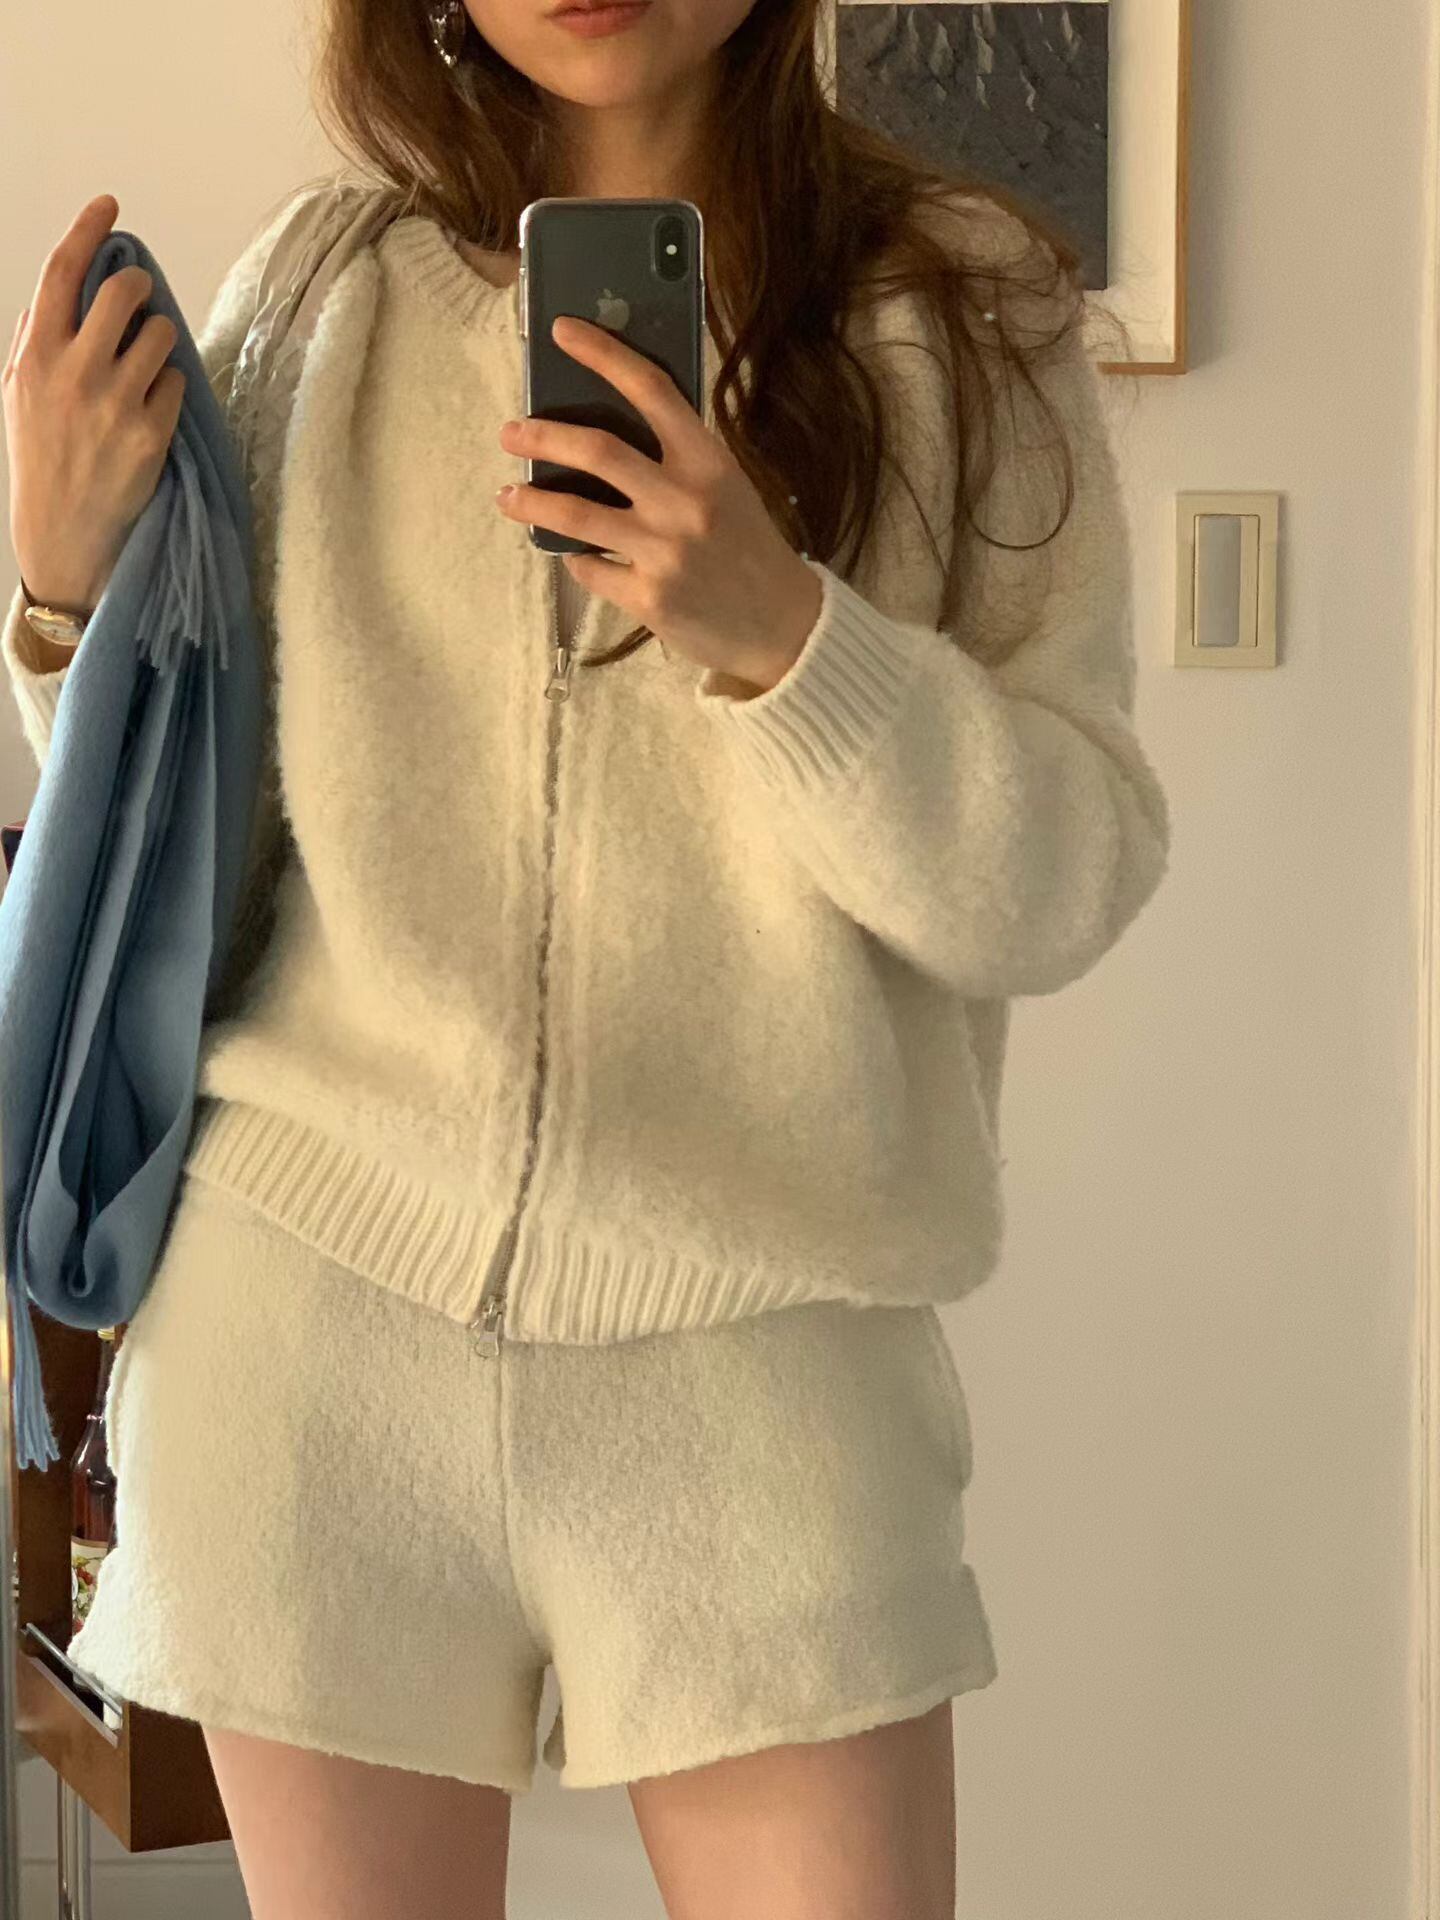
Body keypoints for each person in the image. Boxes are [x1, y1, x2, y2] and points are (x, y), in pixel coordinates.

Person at [1, 1, 1171, 1913]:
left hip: (766, 1366)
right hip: (308, 1349)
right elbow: (177, 829)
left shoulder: (960, 312)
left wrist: (787, 637)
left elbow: (1068, 875)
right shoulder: (320, 292)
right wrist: (62, 589)